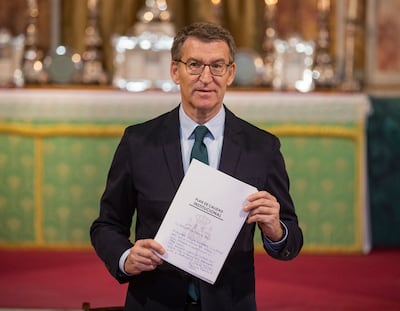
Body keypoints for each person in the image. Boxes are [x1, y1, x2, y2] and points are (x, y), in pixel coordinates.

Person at [90, 22, 303, 311]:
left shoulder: (262, 148)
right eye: (194, 65)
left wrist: (276, 230)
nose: (206, 77)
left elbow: (290, 240)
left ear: (230, 73)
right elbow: (107, 225)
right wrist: (126, 257)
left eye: (217, 66)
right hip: (154, 302)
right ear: (175, 71)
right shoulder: (138, 142)